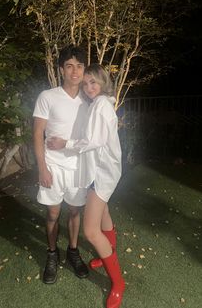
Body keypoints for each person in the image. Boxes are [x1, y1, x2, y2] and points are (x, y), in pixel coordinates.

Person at [48, 64, 125, 308]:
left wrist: (64, 143)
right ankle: (106, 255)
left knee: (91, 231)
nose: (89, 87)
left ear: (103, 83)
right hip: (100, 170)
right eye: (86, 83)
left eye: (94, 82)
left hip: (103, 174)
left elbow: (94, 141)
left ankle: (118, 284)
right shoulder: (99, 103)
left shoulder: (101, 104)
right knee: (103, 213)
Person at [33, 45, 89, 284]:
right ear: (61, 70)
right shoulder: (47, 96)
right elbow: (37, 135)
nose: (74, 71)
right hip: (53, 165)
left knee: (75, 210)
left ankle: (73, 250)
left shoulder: (90, 99)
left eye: (79, 66)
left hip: (79, 167)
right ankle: (53, 253)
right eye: (69, 66)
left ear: (84, 70)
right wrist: (42, 168)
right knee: (53, 212)